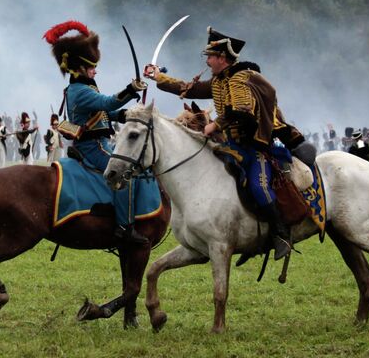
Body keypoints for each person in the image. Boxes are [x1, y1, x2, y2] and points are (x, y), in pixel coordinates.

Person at [144, 26, 313, 260]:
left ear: (222, 58)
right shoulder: (219, 81)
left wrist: (214, 125)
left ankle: (280, 233)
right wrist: (158, 78)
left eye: (210, 57)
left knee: (259, 186)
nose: (208, 61)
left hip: (254, 146)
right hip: (231, 146)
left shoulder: (240, 78)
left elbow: (243, 112)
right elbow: (188, 89)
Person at [44, 20, 151, 244]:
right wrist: (131, 90)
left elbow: (102, 112)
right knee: (123, 176)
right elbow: (108, 102)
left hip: (100, 143)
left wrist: (124, 115)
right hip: (93, 147)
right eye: (92, 66)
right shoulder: (80, 90)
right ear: (80, 68)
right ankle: (124, 227)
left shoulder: (85, 87)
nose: (95, 70)